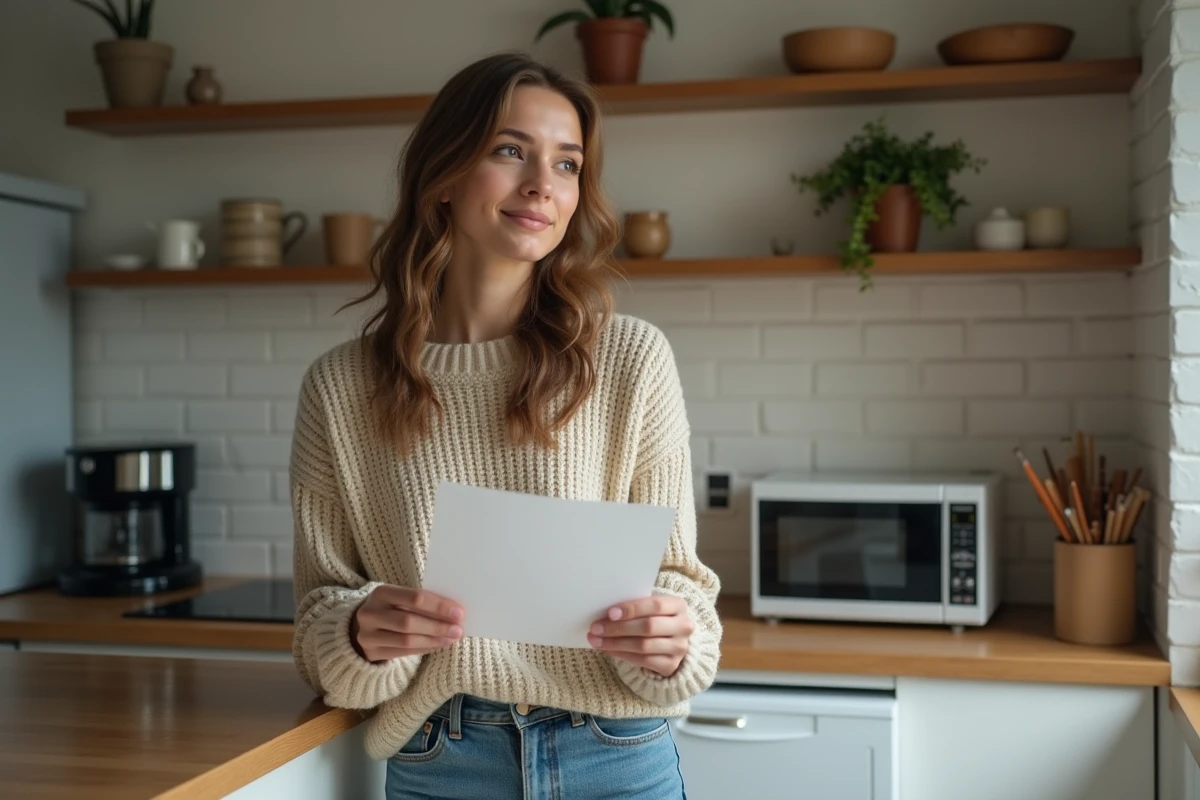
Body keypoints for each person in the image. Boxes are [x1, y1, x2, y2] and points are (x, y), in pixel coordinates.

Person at [288, 51, 722, 800]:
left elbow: (683, 588)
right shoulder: (341, 388)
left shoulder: (631, 360)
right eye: (511, 150)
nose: (540, 186)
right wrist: (359, 632)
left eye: (566, 164)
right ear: (446, 174)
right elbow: (319, 620)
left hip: (613, 755)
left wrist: (672, 639)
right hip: (439, 761)